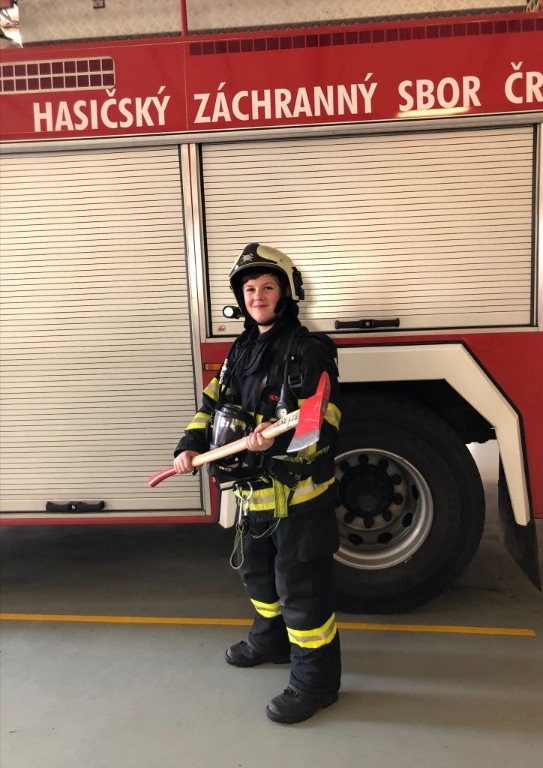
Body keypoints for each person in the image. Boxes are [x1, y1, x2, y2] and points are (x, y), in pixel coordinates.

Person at [173, 243, 342, 724]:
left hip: (298, 501)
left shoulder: (309, 350)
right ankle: (271, 642)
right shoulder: (240, 351)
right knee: (259, 577)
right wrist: (189, 443)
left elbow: (323, 421)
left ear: (285, 294)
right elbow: (211, 405)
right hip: (253, 497)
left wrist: (276, 442)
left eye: (268, 287)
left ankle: (315, 684)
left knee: (302, 592)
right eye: (250, 289)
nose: (258, 296)